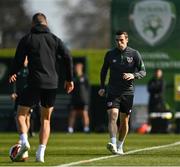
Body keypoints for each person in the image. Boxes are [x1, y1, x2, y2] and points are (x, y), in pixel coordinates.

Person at [9, 12, 74, 162]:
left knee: (20, 113)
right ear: (46, 23)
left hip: (35, 82)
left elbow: (18, 59)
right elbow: (68, 57)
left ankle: (24, 142)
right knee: (46, 119)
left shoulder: (27, 39)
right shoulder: (55, 39)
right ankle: (40, 153)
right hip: (52, 84)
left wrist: (13, 72)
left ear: (33, 24)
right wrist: (69, 79)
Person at [98, 30, 146, 155]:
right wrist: (102, 87)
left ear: (127, 40)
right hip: (113, 92)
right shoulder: (110, 54)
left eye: (121, 40)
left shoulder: (134, 54)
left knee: (124, 120)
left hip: (128, 93)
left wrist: (133, 75)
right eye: (117, 40)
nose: (119, 42)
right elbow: (103, 71)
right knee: (112, 116)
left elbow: (143, 71)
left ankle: (120, 145)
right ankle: (113, 143)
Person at [68, 62, 90, 133]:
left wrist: (86, 98)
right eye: (75, 68)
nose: (76, 69)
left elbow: (88, 88)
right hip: (75, 99)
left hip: (83, 100)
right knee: (73, 114)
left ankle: (86, 129)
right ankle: (70, 129)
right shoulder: (73, 78)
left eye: (78, 67)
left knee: (84, 113)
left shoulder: (84, 77)